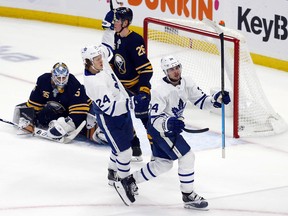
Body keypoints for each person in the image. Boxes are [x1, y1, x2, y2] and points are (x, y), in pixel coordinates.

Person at [114, 55, 231, 210]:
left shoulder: (187, 82)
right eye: (171, 69)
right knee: (188, 157)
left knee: (163, 164)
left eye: (177, 68)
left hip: (169, 129)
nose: (175, 72)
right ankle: (188, 196)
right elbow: (155, 119)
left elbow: (202, 101)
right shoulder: (159, 90)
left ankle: (128, 181)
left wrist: (217, 100)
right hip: (161, 131)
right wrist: (169, 123)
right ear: (165, 72)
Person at [102, 7, 153, 161]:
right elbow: (112, 60)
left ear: (125, 22)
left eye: (117, 20)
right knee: (122, 117)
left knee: (146, 119)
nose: (114, 23)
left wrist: (143, 91)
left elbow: (146, 69)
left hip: (135, 87)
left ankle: (157, 152)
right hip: (120, 87)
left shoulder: (135, 40)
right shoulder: (115, 37)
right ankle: (135, 147)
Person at [81, 45, 136, 186]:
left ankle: (112, 171)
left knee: (124, 143)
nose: (101, 60)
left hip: (123, 109)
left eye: (100, 57)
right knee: (125, 152)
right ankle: (124, 184)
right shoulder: (94, 84)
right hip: (109, 118)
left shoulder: (98, 63)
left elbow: (108, 48)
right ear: (87, 62)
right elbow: (111, 109)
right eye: (97, 59)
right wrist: (132, 103)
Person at [13, 62, 101, 142]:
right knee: (44, 116)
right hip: (65, 109)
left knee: (91, 128)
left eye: (64, 77)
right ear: (53, 75)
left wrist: (65, 126)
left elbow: (79, 114)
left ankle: (103, 132)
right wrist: (29, 119)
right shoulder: (43, 81)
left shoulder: (74, 86)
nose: (61, 81)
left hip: (89, 109)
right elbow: (34, 103)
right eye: (59, 77)